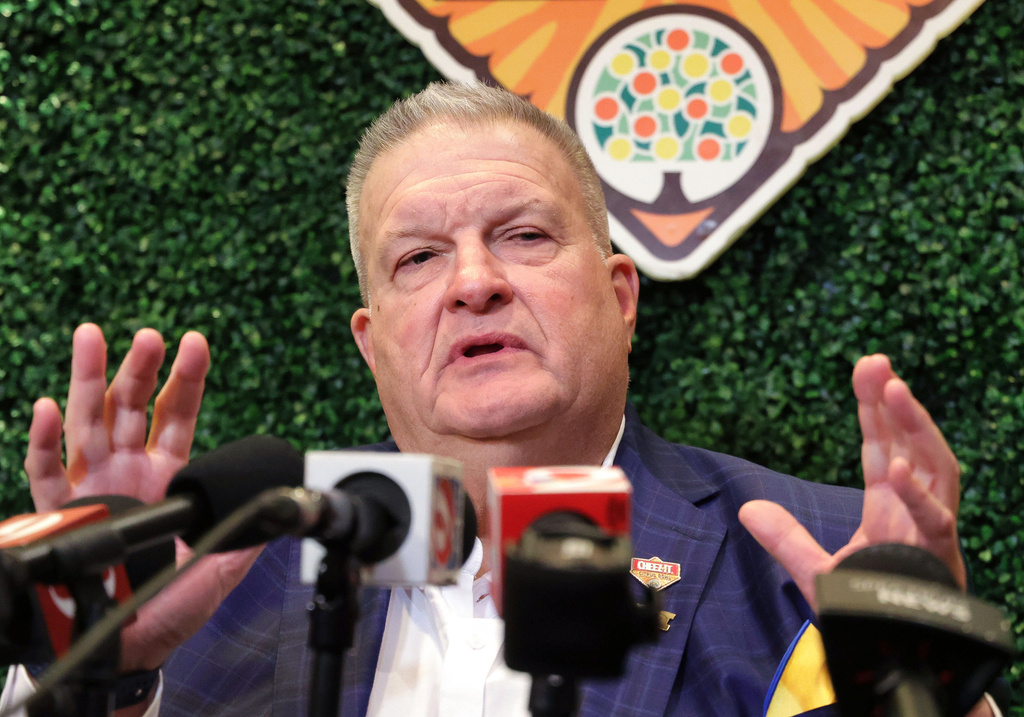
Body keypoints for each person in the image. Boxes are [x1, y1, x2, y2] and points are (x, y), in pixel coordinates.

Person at [0, 82, 999, 717]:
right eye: (419, 256)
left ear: (618, 300)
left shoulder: (816, 563)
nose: (472, 282)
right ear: (372, 340)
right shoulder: (220, 577)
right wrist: (100, 668)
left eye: (522, 235)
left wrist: (928, 693)